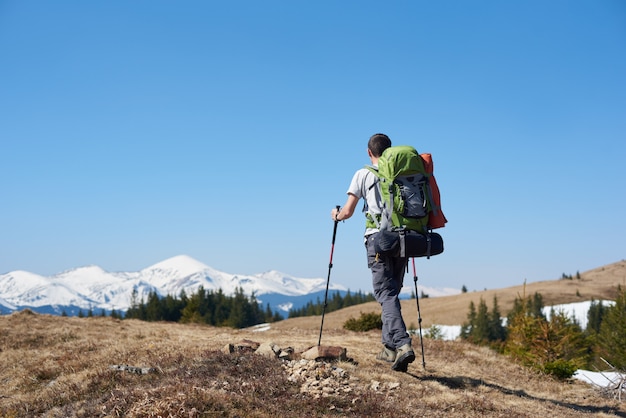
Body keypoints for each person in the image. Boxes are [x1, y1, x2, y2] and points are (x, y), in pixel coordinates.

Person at [330, 133, 416, 372]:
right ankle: (388, 348)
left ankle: (402, 344)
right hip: (405, 238)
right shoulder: (402, 173)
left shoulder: (363, 174)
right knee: (393, 291)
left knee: (384, 294)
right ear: (389, 151)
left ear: (370, 152)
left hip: (378, 239)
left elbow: (347, 211)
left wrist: (335, 215)